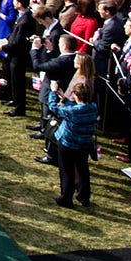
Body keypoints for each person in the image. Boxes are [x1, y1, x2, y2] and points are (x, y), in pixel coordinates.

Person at [48, 79, 98, 208]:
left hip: (68, 144)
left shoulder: (72, 111)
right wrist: (64, 98)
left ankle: (66, 199)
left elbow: (53, 106)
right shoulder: (93, 107)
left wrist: (53, 92)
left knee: (67, 171)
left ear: (76, 95)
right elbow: (76, 106)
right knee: (83, 170)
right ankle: (84, 197)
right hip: (84, 144)